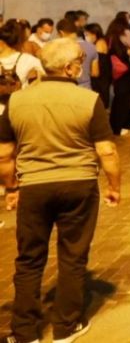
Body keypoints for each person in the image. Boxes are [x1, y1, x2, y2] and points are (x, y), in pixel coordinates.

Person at [1, 38, 122, 343]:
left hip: (34, 185)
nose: (81, 65)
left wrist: (11, 188)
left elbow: (4, 154)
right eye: (79, 61)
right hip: (78, 184)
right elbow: (106, 150)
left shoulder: (17, 101)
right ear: (69, 68)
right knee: (73, 254)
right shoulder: (88, 100)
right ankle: (66, 326)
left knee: (29, 258)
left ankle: (25, 331)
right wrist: (114, 186)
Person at [106, 15, 130, 135]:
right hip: (123, 69)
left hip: (114, 69)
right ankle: (118, 126)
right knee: (123, 98)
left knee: (121, 97)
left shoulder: (110, 34)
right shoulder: (125, 32)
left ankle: (128, 123)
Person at [84, 23, 111, 108]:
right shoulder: (100, 42)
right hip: (102, 77)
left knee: (100, 100)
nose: (86, 37)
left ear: (94, 34)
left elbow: (97, 65)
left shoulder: (99, 44)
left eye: (87, 34)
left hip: (100, 78)